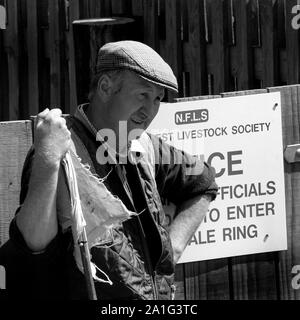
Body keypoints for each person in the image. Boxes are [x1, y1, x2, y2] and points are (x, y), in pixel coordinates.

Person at [7, 41, 218, 300]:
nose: (149, 110)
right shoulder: (62, 149)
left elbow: (203, 180)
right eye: (143, 95)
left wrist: (173, 248)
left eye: (157, 99)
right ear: (106, 87)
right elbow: (33, 244)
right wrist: (48, 159)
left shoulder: (145, 145)